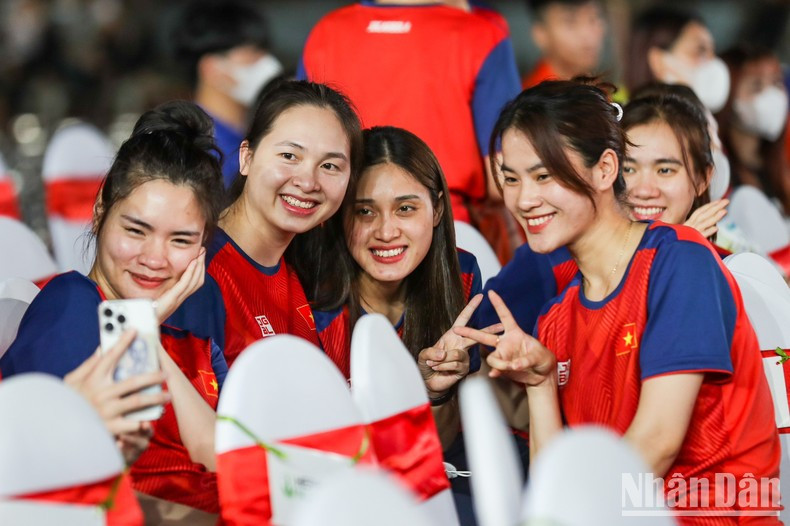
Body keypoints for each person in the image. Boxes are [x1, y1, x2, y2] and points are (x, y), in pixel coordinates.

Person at [458, 80, 780, 521]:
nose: (524, 199)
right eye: (510, 179)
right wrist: (539, 383)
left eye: (543, 175)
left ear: (606, 169)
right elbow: (556, 480)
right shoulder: (557, 317)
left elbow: (658, 442)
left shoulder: (679, 260)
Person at [1, 101, 227, 522]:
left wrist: (149, 323)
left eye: (180, 240)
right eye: (136, 230)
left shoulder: (191, 319)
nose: (154, 258)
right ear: (101, 210)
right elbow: (63, 488)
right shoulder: (71, 307)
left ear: (203, 245)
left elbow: (223, 459)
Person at [310, 126, 489, 524]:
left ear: (437, 209)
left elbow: (439, 447)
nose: (386, 231)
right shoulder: (313, 297)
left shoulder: (462, 277)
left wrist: (434, 390)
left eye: (406, 208)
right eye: (364, 211)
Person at [297, 0, 521, 262]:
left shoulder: (327, 30)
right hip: (445, 233)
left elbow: (304, 151)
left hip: (338, 238)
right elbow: (503, 178)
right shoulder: (481, 33)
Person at [171, 80, 363, 368]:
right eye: (289, 156)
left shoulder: (305, 272)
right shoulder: (197, 269)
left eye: (329, 166)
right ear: (246, 157)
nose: (308, 182)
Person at [173, 0, 282, 187]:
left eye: (265, 53)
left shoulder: (244, 136)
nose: (269, 65)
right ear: (212, 68)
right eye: (253, 56)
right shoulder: (194, 146)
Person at [716, 45, 790, 215]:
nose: (771, 95)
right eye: (756, 86)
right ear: (729, 95)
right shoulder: (716, 169)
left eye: (776, 82)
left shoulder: (779, 166)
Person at [626, 6, 729, 114]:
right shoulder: (623, 123)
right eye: (700, 51)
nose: (712, 61)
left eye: (713, 51)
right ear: (658, 61)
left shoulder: (706, 124)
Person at [522, 0, 606, 88]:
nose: (587, 34)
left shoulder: (597, 86)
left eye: (593, 19)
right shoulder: (536, 96)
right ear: (540, 33)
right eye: (570, 22)